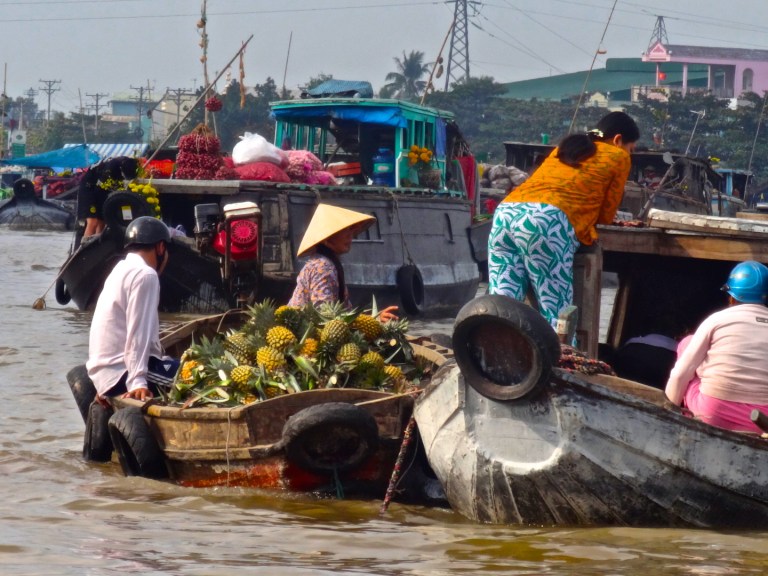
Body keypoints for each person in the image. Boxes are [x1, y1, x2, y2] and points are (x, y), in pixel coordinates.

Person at [487, 111, 640, 330]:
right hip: (546, 221)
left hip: (506, 214)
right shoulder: (618, 156)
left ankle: (489, 358)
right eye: (631, 148)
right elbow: (606, 214)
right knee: (557, 314)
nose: (630, 154)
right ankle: (562, 361)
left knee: (501, 308)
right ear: (618, 140)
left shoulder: (564, 149)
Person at [665, 261, 768, 433]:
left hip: (712, 412)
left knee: (687, 343)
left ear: (731, 296)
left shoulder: (716, 320)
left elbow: (679, 375)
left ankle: (682, 416)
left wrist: (666, 413)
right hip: (760, 422)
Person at [86, 216, 177, 404]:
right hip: (122, 373)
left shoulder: (121, 268)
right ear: (160, 248)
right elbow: (138, 332)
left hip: (104, 372)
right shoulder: (146, 275)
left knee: (175, 364)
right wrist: (137, 382)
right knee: (202, 375)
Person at [289, 203, 398, 321]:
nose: (350, 236)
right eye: (345, 231)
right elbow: (324, 316)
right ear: (327, 238)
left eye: (351, 231)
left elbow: (345, 314)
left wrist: (374, 319)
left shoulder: (326, 263)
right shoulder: (323, 267)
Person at [78, 156, 140, 238]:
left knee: (102, 221)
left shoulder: (129, 163)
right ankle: (85, 245)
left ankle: (97, 245)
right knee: (93, 221)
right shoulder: (110, 168)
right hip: (89, 189)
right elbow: (104, 190)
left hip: (102, 190)